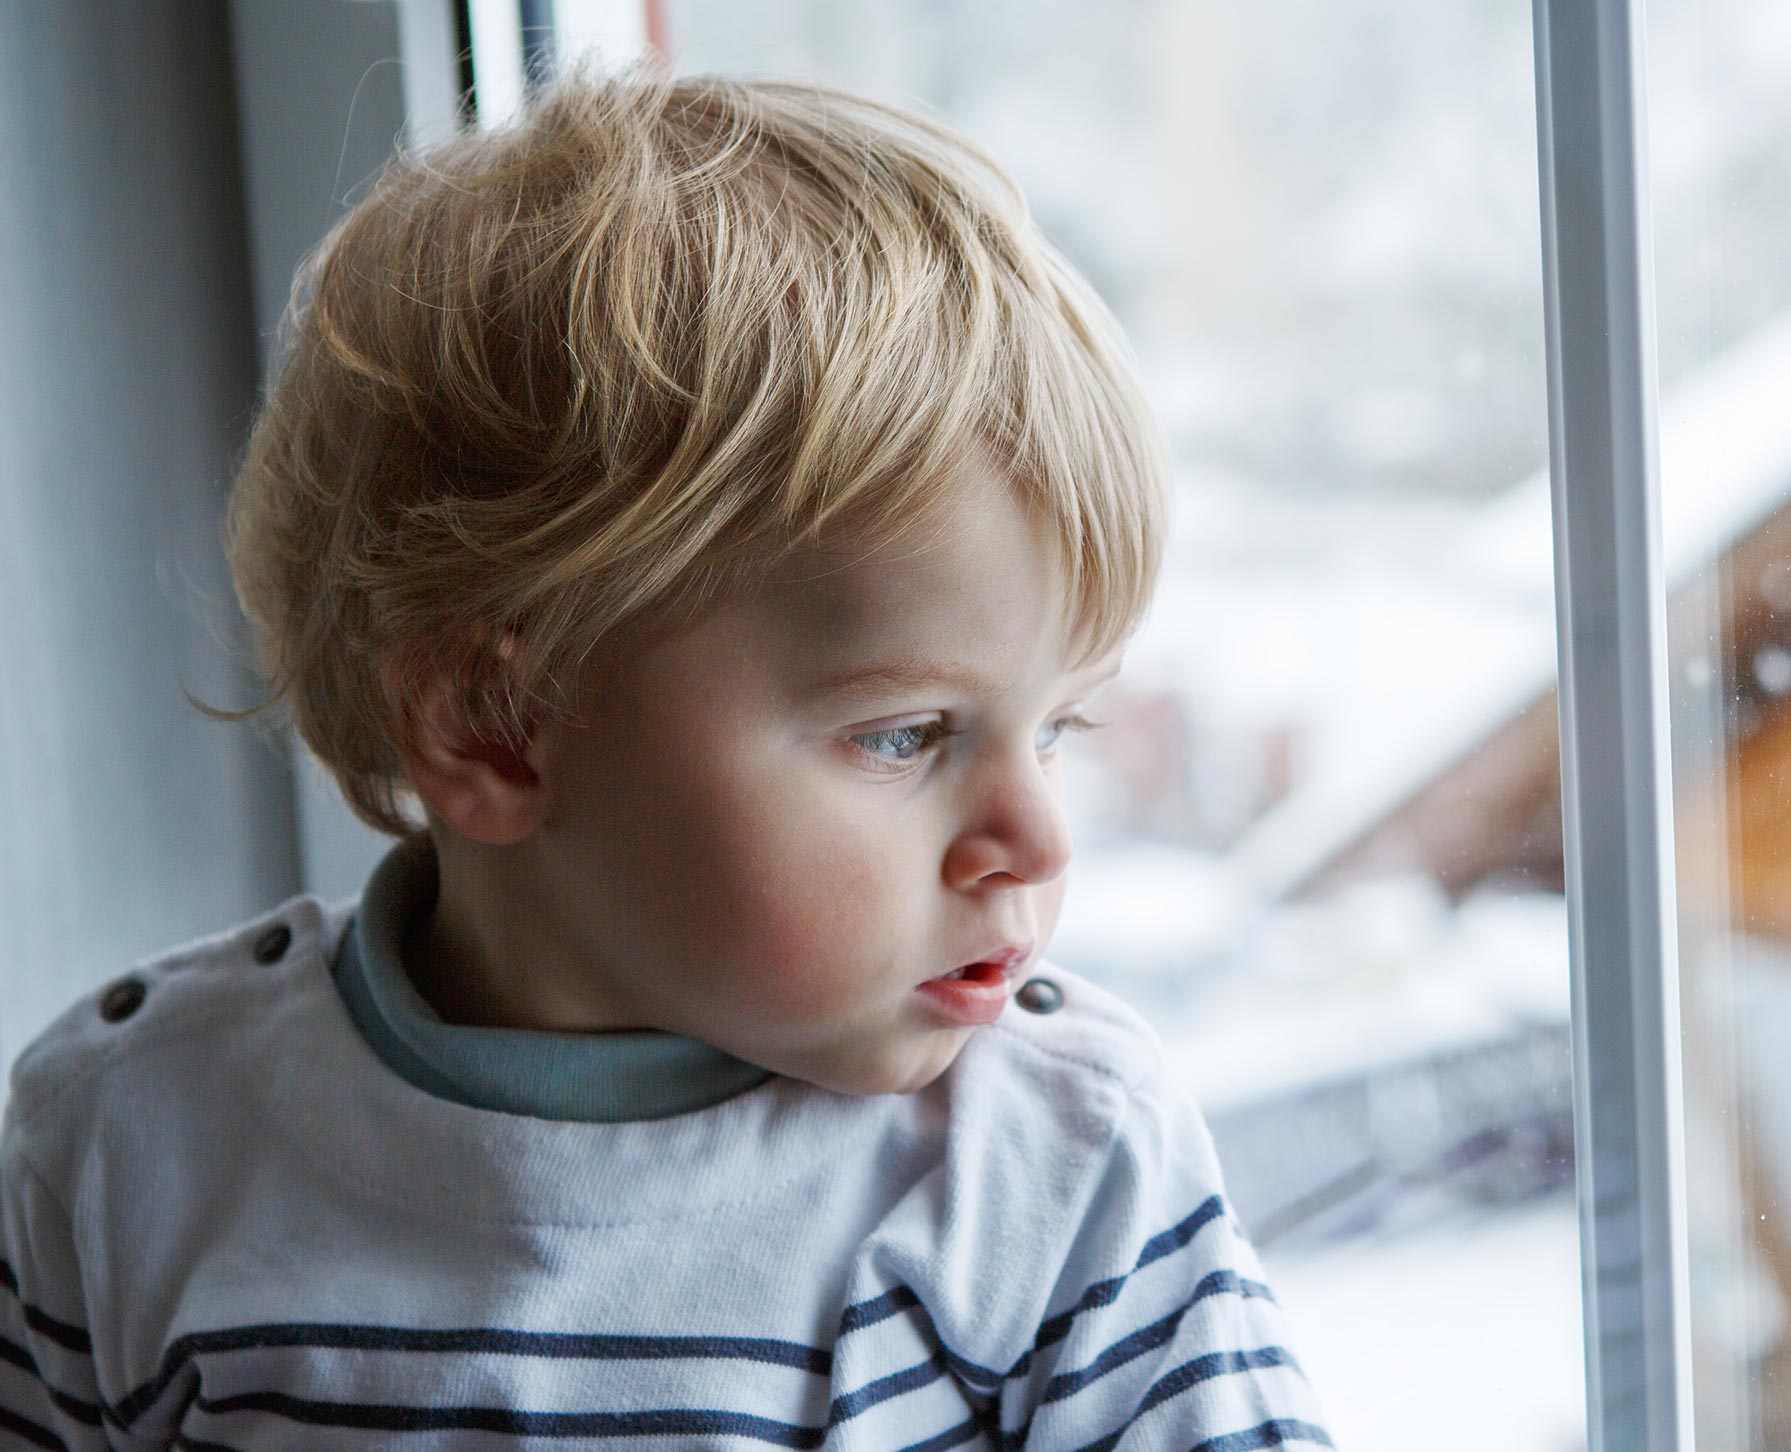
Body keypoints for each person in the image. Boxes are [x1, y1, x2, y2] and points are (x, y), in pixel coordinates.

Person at [0, 71, 1329, 1452]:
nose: (1038, 838)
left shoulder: (1059, 1172)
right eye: (906, 734)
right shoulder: (133, 1147)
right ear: (493, 728)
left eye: (1057, 727)